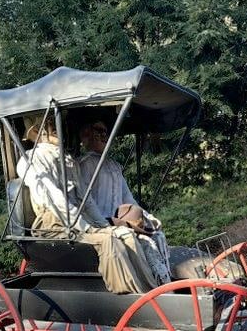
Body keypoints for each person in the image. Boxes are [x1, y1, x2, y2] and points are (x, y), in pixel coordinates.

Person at [16, 118, 158, 294]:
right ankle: (125, 293)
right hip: (54, 223)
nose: (58, 130)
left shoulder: (69, 161)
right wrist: (86, 228)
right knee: (109, 240)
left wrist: (103, 225)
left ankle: (151, 290)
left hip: (79, 218)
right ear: (39, 131)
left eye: (58, 125)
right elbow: (55, 200)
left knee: (124, 234)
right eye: (51, 126)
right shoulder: (30, 160)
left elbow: (86, 199)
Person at [78, 120, 171, 285]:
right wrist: (103, 224)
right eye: (98, 131)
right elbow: (85, 200)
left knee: (156, 237)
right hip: (100, 223)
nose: (104, 135)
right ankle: (149, 285)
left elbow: (128, 198)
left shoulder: (113, 165)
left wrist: (148, 217)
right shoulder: (85, 164)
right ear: (86, 135)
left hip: (120, 222)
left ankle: (164, 282)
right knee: (141, 242)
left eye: (106, 132)